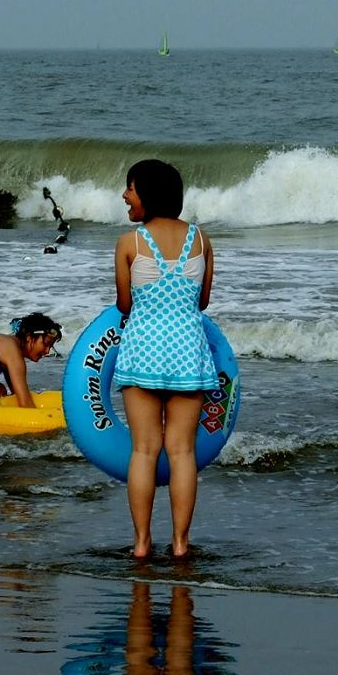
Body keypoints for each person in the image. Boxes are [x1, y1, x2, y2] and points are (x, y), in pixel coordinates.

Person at [113, 159, 218, 559]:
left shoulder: (130, 243)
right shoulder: (201, 240)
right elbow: (203, 301)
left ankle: (141, 544)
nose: (126, 195)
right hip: (188, 352)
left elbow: (124, 304)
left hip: (142, 350)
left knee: (143, 450)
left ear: (148, 194)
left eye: (131, 188)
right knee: (182, 451)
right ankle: (180, 544)